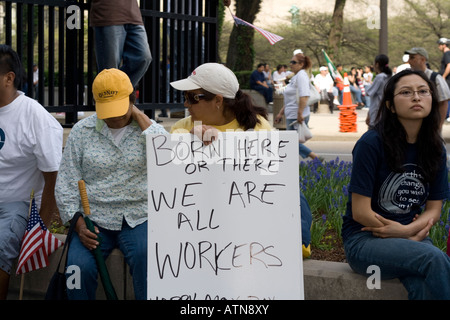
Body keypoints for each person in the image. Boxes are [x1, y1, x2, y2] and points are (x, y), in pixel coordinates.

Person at [55, 68, 166, 300]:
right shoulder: (81, 132)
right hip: (92, 218)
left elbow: (167, 157)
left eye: (119, 107)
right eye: (106, 109)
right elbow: (65, 183)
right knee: (77, 269)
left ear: (133, 99)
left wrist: (142, 118)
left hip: (138, 216)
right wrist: (78, 225)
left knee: (150, 261)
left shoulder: (148, 129)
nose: (113, 116)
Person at [342, 69, 450, 300]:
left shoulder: (435, 148)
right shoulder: (371, 143)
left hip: (414, 239)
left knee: (423, 286)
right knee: (434, 259)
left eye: (423, 91)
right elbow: (360, 212)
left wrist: (407, 232)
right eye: (406, 92)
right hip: (366, 240)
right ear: (390, 106)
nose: (416, 97)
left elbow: (434, 210)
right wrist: (403, 234)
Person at [0, 45, 63, 299]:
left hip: (19, 204)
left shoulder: (34, 116)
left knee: (2, 243)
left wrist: (44, 230)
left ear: (8, 78)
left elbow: (54, 178)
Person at [170, 62, 272, 133]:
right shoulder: (181, 129)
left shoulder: (257, 126)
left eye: (192, 98)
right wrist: (189, 141)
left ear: (218, 100)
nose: (186, 104)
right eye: (185, 96)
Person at [90, 0, 152, 88]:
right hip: (108, 13)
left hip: (133, 15)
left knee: (143, 57)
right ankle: (111, 97)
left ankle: (120, 92)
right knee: (110, 70)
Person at [274, 53, 322, 160]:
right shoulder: (296, 77)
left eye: (293, 62)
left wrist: (300, 114)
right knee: (291, 142)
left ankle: (314, 157)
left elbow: (304, 95)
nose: (291, 64)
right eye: (290, 62)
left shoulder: (302, 76)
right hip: (292, 114)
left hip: (297, 115)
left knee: (290, 142)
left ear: (301, 64)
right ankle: (295, 163)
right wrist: (281, 113)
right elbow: (291, 100)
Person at [405, 47, 450, 129]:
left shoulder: (435, 78)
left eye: (412, 58)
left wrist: (438, 126)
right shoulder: (406, 77)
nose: (409, 61)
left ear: (423, 59)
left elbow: (443, 103)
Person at [366, 54, 392, 128]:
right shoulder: (389, 76)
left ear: (377, 64)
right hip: (385, 111)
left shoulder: (379, 77)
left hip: (376, 110)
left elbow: (369, 92)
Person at [437, 38, 450, 121]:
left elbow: (449, 65)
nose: (438, 47)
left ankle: (446, 115)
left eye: (439, 45)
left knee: (446, 97)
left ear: (444, 45)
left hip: (448, 79)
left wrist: (443, 76)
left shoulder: (447, 53)